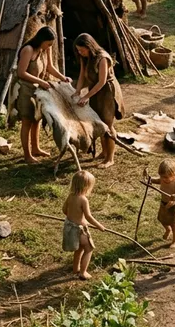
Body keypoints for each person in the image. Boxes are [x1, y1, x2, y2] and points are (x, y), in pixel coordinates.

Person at [12, 25, 70, 164]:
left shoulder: (45, 50)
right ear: (41, 40)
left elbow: (50, 67)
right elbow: (21, 73)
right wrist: (40, 81)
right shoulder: (28, 50)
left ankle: (36, 148)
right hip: (25, 90)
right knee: (27, 121)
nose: (50, 46)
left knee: (36, 118)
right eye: (48, 43)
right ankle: (27, 155)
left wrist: (63, 78)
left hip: (38, 90)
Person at [73, 34, 125, 168]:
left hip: (107, 92)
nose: (80, 52)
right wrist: (78, 91)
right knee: (99, 121)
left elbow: (102, 82)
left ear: (89, 47)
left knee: (107, 124)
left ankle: (110, 158)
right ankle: (104, 152)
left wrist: (86, 96)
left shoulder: (103, 58)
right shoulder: (85, 57)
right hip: (95, 91)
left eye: (82, 50)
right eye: (78, 50)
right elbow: (82, 75)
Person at [62, 170, 105, 280]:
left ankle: (76, 269)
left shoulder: (70, 196)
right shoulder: (83, 200)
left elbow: (64, 210)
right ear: (86, 186)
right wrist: (99, 226)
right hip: (79, 230)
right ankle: (83, 272)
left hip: (70, 226)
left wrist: (72, 217)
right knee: (89, 248)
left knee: (79, 249)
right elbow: (89, 217)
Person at [145, 159, 175, 248]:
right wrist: (149, 178)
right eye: (163, 177)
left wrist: (173, 201)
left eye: (169, 177)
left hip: (174, 206)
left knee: (174, 223)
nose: (166, 179)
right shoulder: (162, 179)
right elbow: (157, 180)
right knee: (161, 219)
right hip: (163, 203)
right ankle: (167, 230)